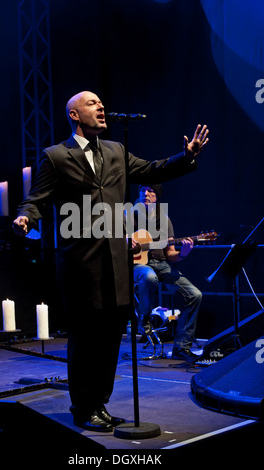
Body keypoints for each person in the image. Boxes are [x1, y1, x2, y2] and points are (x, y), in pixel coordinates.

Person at [13, 90, 209, 432]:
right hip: (80, 262)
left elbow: (152, 170)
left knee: (109, 337)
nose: (101, 107)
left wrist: (186, 155)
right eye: (92, 104)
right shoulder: (56, 156)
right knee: (85, 338)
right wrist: (26, 217)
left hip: (117, 262)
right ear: (74, 115)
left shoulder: (117, 151)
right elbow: (37, 198)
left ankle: (99, 405)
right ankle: (82, 408)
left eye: (101, 103)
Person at [132, 184, 202, 362]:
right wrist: (126, 242)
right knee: (149, 277)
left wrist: (183, 254)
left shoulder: (165, 221)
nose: (146, 194)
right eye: (143, 191)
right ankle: (144, 318)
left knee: (195, 294)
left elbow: (170, 254)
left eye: (151, 191)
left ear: (157, 197)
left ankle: (181, 348)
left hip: (161, 264)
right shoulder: (128, 216)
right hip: (136, 265)